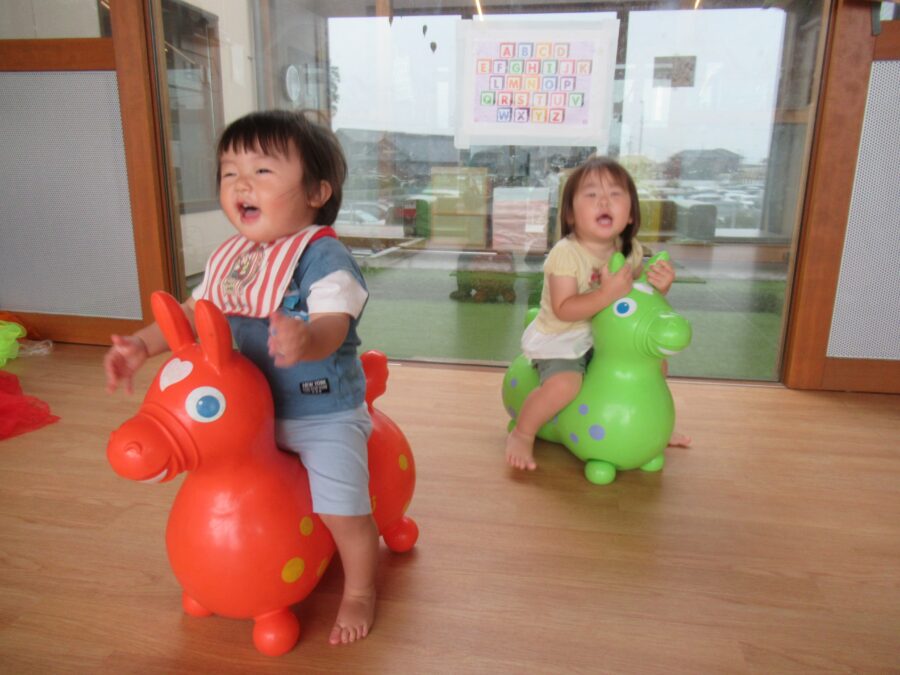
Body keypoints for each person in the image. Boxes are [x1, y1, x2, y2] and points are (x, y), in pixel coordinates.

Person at [104, 110, 378, 645]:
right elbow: (191, 313)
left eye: (262, 171)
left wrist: (307, 339)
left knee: (342, 508)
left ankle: (361, 590)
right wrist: (141, 345)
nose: (241, 184)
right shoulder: (233, 258)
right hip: (246, 421)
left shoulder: (323, 257)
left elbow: (333, 322)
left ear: (317, 191)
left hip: (318, 413)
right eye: (229, 172)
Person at [505, 155, 691, 471]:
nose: (604, 201)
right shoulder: (566, 254)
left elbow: (633, 304)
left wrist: (659, 287)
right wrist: (606, 294)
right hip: (564, 337)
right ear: (570, 214)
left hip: (606, 336)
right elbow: (564, 309)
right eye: (591, 195)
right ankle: (523, 433)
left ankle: (652, 427)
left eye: (615, 194)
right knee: (565, 384)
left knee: (656, 365)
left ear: (630, 214)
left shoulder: (630, 250)